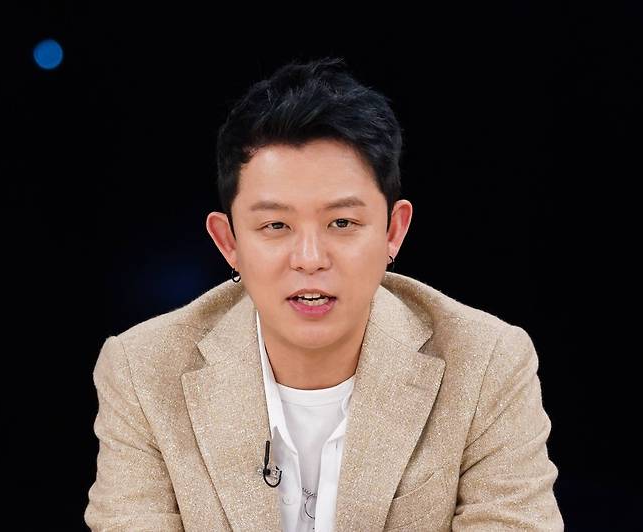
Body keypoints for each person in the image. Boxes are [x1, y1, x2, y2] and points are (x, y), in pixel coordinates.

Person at [84, 57, 563, 531]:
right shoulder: (142, 371)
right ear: (229, 242)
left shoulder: (486, 363)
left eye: (342, 222)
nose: (310, 258)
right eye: (276, 225)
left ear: (393, 231)